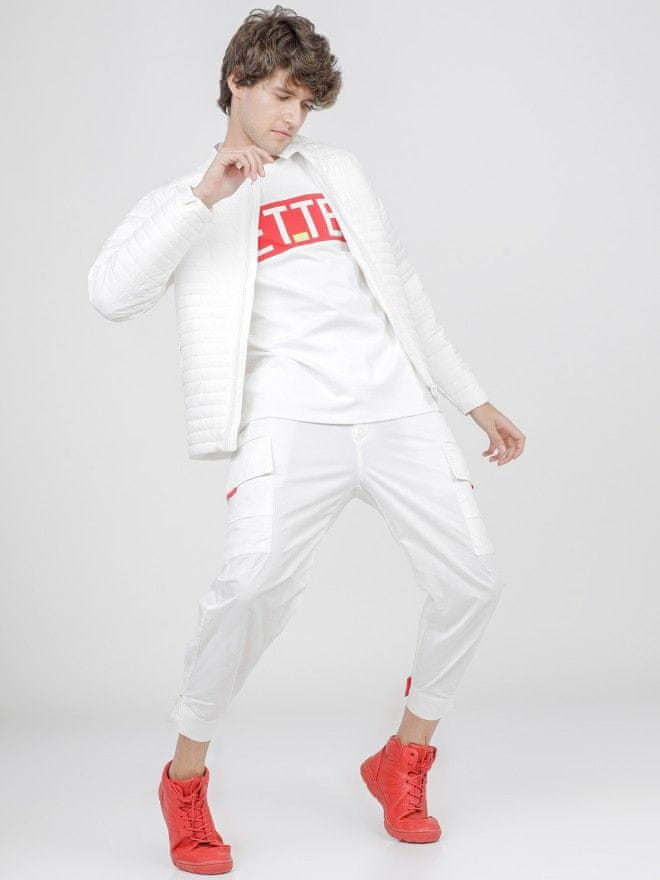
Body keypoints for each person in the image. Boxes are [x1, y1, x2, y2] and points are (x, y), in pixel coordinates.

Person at [88, 5, 525, 874]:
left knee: (472, 581)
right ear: (236, 82)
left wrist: (472, 400)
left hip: (396, 408)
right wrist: (205, 195)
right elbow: (110, 294)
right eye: (281, 95)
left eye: (306, 102)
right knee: (251, 588)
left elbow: (403, 290)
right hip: (288, 419)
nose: (293, 117)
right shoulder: (189, 199)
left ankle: (402, 760)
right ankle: (184, 780)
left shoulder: (339, 174)